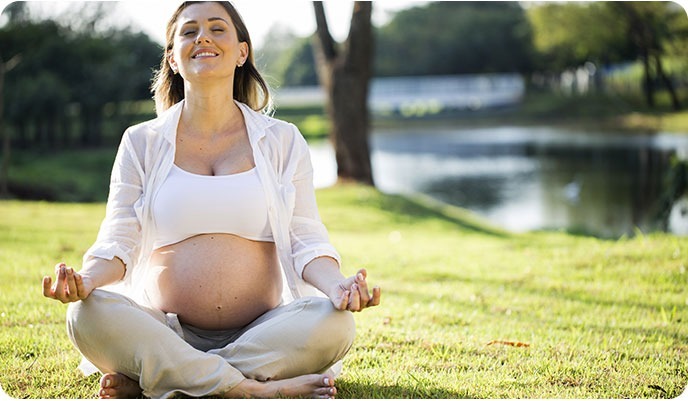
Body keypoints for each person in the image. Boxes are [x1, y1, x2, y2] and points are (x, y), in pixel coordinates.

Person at [41, 1, 381, 398]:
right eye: (189, 31)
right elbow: (118, 239)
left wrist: (338, 286)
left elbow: (306, 238)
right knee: (86, 314)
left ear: (242, 52)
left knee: (335, 323)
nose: (203, 36)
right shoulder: (141, 142)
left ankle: (165, 377)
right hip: (166, 329)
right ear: (172, 57)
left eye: (217, 28)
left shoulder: (282, 140)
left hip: (262, 330)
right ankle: (251, 390)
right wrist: (86, 281)